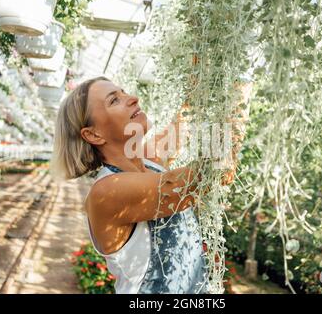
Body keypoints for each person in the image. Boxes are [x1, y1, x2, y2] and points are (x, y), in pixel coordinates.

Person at [50, 76, 249, 294]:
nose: (133, 98)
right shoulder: (107, 192)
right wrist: (237, 98)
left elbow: (183, 122)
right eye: (114, 100)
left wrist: (203, 73)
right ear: (93, 134)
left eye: (123, 91)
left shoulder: (148, 161)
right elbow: (210, 175)